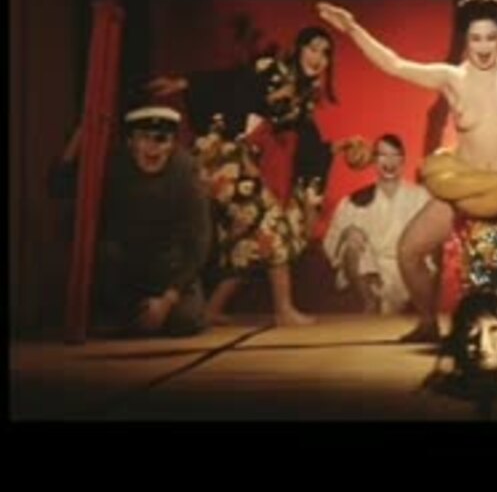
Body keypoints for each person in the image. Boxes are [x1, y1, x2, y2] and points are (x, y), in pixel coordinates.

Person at [317, 0, 497, 342]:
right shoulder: (451, 78)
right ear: (466, 37)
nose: (483, 46)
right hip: (466, 188)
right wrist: (352, 28)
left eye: (491, 38)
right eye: (476, 38)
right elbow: (394, 65)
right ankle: (427, 324)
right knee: (408, 251)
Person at [148, 26, 359, 326]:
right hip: (224, 156)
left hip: (245, 164)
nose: (318, 57)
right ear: (298, 49)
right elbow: (230, 80)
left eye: (325, 53)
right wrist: (185, 82)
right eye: (313, 48)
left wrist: (338, 147)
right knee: (270, 221)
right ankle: (284, 310)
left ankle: (211, 309)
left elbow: (310, 145)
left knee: (250, 240)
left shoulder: (304, 97)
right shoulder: (270, 68)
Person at [49, 105, 210, 337]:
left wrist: (167, 301)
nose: (153, 147)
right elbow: (59, 186)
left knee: (186, 320)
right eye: (144, 138)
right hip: (123, 272)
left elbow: (199, 242)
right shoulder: (113, 165)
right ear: (130, 143)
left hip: (168, 271)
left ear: (173, 144)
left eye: (161, 139)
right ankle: (126, 316)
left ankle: (141, 318)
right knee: (108, 268)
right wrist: (81, 134)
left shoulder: (185, 171)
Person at [322, 133, 430, 313]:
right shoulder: (354, 201)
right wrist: (348, 234)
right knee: (352, 239)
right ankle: (369, 303)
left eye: (394, 155)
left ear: (403, 160)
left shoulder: (420, 197)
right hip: (367, 274)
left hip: (405, 272)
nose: (389, 162)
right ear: (374, 160)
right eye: (383, 155)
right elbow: (330, 245)